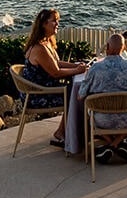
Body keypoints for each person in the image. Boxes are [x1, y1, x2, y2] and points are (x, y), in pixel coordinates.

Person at [20, 8, 88, 145]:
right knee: (78, 94)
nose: (57, 24)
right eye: (54, 21)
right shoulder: (39, 48)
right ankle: (67, 133)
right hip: (38, 95)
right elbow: (55, 72)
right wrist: (77, 70)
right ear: (44, 24)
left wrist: (76, 66)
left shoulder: (47, 42)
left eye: (58, 21)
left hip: (43, 89)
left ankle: (66, 131)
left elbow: (55, 63)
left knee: (75, 90)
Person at [82, 34, 127, 160]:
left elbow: (80, 96)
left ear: (107, 47)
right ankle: (117, 144)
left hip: (102, 120)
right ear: (123, 48)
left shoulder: (95, 69)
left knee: (88, 112)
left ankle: (110, 144)